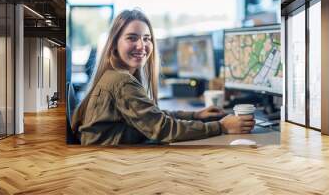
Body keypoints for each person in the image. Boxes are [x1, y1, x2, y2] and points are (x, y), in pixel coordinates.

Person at [71, 9, 255, 145]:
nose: (142, 45)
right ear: (114, 46)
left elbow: (150, 117)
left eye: (146, 38)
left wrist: (196, 115)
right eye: (132, 38)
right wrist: (222, 127)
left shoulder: (114, 76)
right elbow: (163, 128)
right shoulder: (121, 82)